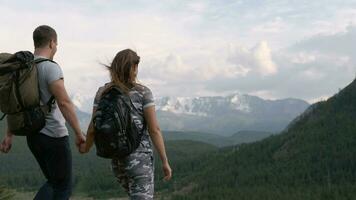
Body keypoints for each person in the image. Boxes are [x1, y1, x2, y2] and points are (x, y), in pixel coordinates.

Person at [0, 25, 86, 200]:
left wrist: (9, 135)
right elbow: (64, 102)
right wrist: (78, 132)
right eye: (56, 44)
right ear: (52, 42)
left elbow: (16, 102)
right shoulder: (51, 68)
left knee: (54, 181)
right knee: (63, 186)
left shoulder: (23, 67)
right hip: (54, 136)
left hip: (33, 135)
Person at [80, 49, 172, 199]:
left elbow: (92, 127)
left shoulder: (102, 92)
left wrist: (86, 147)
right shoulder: (143, 92)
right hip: (139, 160)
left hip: (117, 161)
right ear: (134, 68)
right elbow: (154, 129)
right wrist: (165, 161)